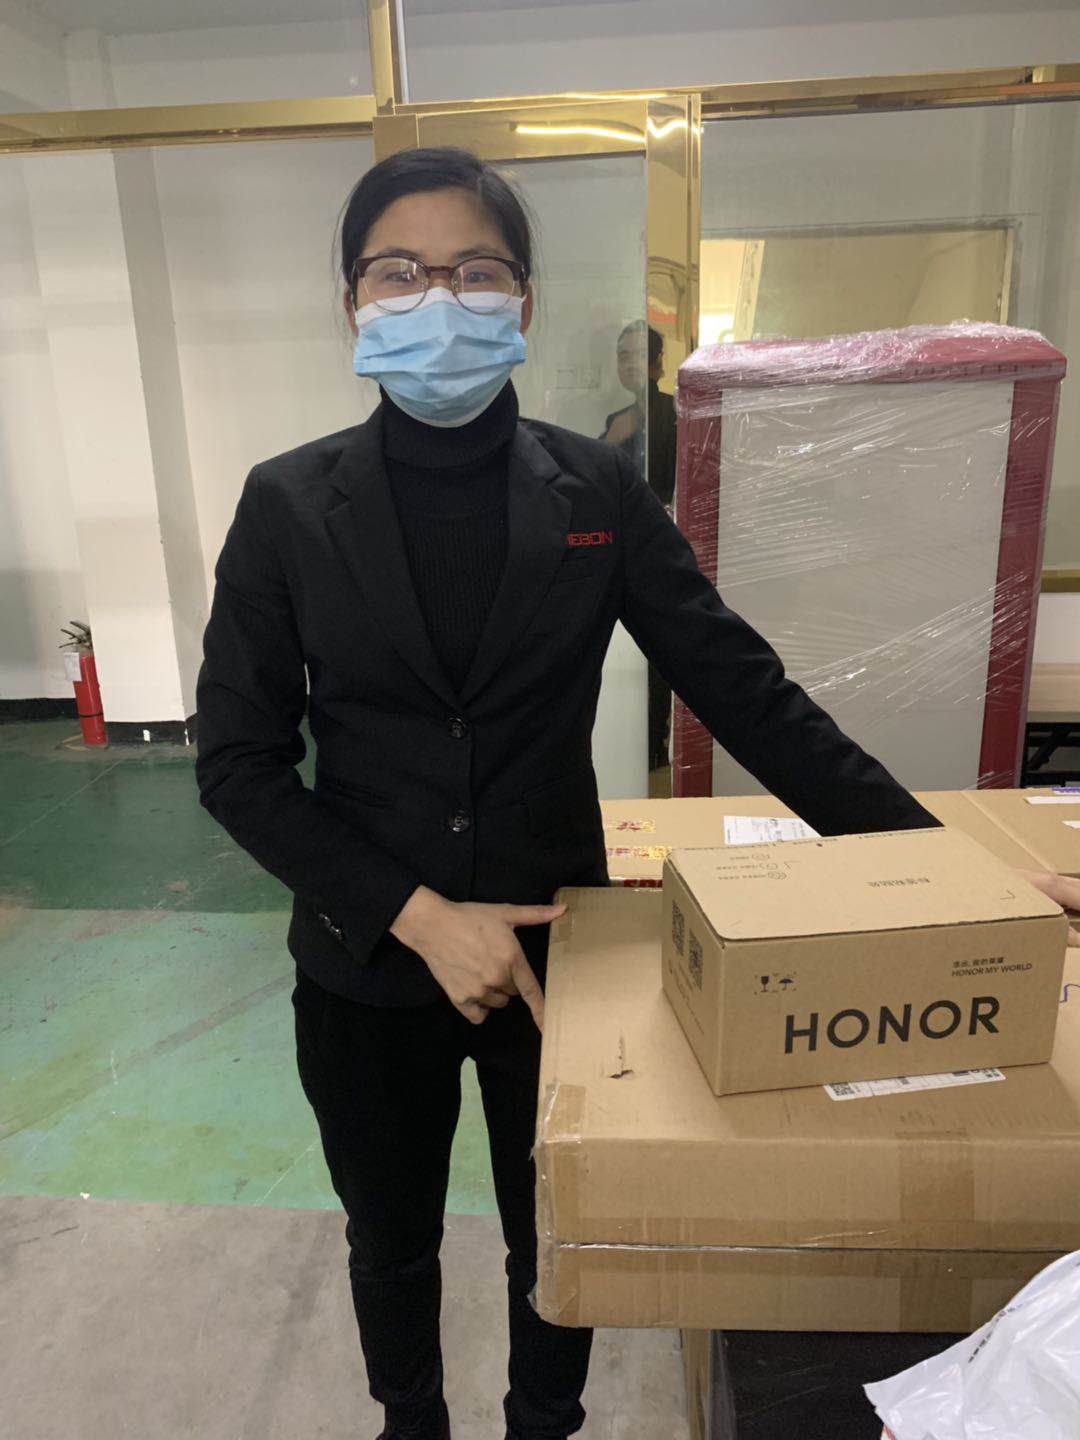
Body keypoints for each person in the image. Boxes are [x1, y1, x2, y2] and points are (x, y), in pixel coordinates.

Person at [194, 147, 1078, 1440]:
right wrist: (421, 917)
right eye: (400, 272)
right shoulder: (287, 506)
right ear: (353, 303)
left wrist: (951, 866)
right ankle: (410, 1422)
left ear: (523, 300)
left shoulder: (594, 490)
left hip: (565, 949)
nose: (439, 298)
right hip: (365, 957)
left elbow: (747, 693)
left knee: (560, 1227)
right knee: (388, 1235)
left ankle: (543, 1427)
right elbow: (237, 760)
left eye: (474, 270)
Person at [600, 321, 677, 768]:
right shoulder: (617, 420)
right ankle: (635, 751)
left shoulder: (680, 412)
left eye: (637, 354)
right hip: (619, 554)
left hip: (671, 551)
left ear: (656, 362)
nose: (629, 363)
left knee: (664, 653)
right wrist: (614, 438)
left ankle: (656, 750)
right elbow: (590, 481)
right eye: (622, 355)